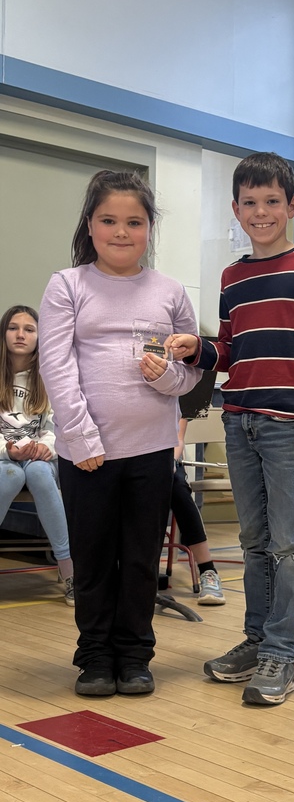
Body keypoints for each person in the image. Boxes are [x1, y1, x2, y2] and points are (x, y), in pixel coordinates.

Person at [167, 152, 294, 706]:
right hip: (238, 420)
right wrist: (200, 349)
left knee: (290, 544)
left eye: (272, 201)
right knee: (253, 541)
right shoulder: (232, 276)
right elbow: (230, 349)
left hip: (289, 425)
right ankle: (254, 640)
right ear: (236, 209)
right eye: (250, 202)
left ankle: (281, 652)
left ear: (292, 205)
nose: (261, 212)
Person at [39, 170, 201, 698]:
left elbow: (191, 371)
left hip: (151, 451)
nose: (122, 232)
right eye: (109, 221)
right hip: (86, 453)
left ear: (149, 228)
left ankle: (134, 655)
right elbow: (56, 367)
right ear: (90, 225)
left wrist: (170, 377)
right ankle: (94, 657)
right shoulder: (67, 285)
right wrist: (83, 440)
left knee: (139, 557)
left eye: (134, 222)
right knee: (93, 556)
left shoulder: (170, 291)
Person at [0, 305, 74, 605]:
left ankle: (70, 571)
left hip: (40, 459)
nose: (21, 335)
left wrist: (48, 445)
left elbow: (58, 423)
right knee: (11, 474)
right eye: (13, 328)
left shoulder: (49, 376)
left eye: (29, 329)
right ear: (3, 334)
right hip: (5, 458)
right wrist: (7, 449)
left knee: (39, 473)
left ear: (39, 336)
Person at [171, 416, 226, 605]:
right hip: (124, 459)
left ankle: (208, 571)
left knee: (177, 488)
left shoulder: (175, 393)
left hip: (166, 461)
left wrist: (169, 463)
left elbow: (178, 438)